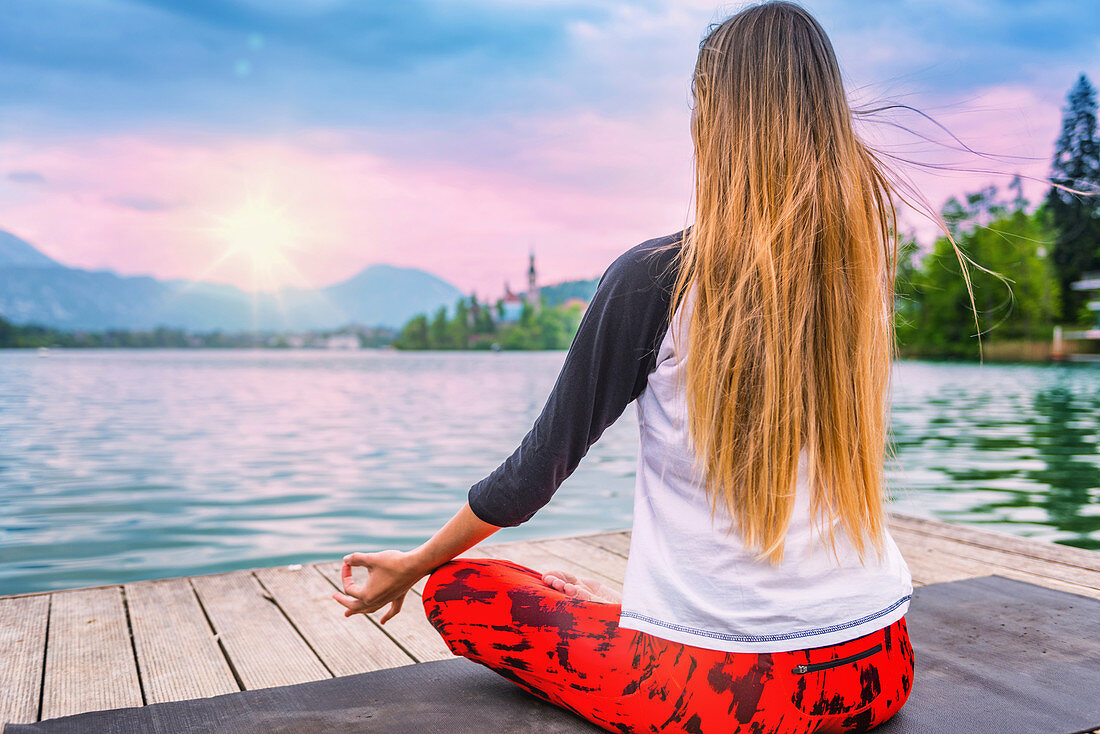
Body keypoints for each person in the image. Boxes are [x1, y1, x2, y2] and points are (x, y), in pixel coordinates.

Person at [333, 2, 918, 731]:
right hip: (878, 665)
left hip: (726, 698)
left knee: (464, 588)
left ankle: (588, 612)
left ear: (714, 122)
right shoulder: (857, 275)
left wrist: (416, 563)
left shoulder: (659, 276)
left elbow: (527, 481)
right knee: (585, 600)